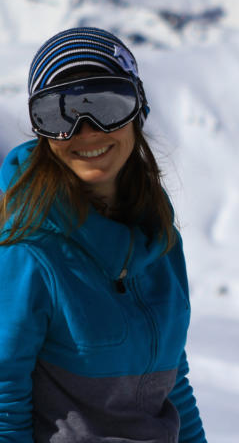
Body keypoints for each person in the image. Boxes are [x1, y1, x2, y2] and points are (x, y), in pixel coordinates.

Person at [0, 27, 207, 443]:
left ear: (138, 109)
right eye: (58, 114)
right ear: (41, 131)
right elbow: (4, 401)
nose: (86, 129)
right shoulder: (30, 251)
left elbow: (171, 381)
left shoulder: (159, 237)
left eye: (107, 104)